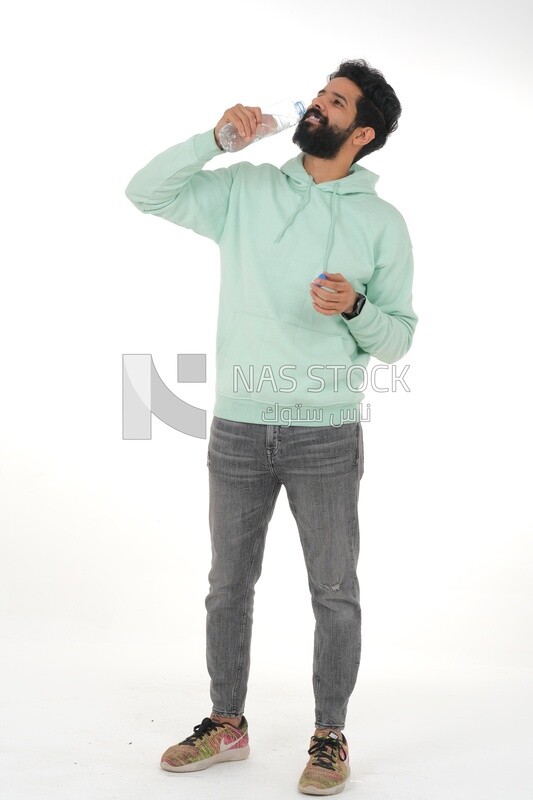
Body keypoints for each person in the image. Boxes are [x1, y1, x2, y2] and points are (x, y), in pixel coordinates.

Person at [125, 58, 417, 795]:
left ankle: (328, 736)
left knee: (333, 590)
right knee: (228, 584)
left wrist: (355, 308)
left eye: (336, 102)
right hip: (238, 427)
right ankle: (227, 723)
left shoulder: (381, 223)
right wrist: (213, 142)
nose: (316, 106)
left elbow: (397, 340)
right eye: (319, 95)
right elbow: (144, 192)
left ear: (362, 133)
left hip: (325, 430)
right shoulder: (248, 191)